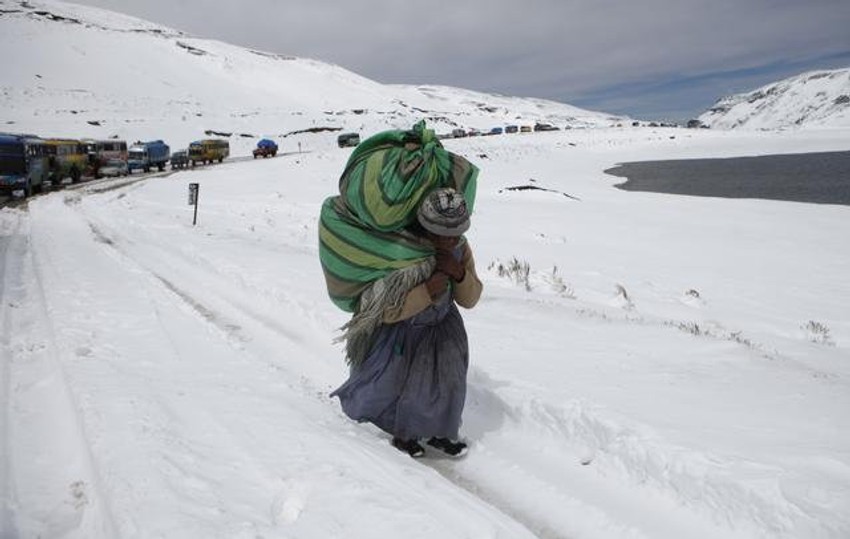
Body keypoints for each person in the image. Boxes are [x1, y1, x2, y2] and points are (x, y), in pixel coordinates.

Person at [330, 187, 483, 458]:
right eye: (441, 235)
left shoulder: (460, 248)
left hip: (443, 327)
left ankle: (440, 432)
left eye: (454, 235)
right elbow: (383, 308)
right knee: (399, 384)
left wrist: (459, 273)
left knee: (448, 382)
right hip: (402, 331)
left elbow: (470, 299)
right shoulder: (401, 251)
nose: (449, 241)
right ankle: (404, 435)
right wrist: (427, 291)